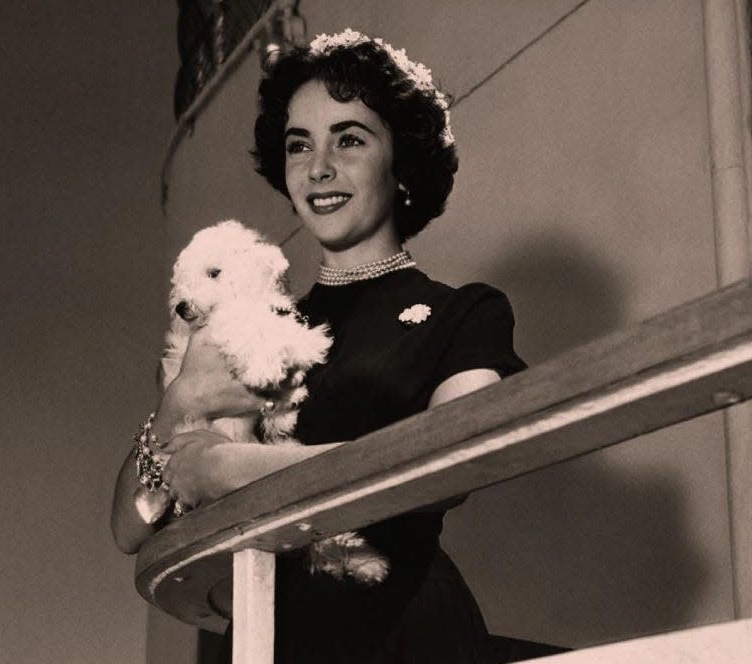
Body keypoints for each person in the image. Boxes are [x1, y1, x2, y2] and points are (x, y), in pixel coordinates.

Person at [112, 29, 541, 663]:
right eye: (299, 145)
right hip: (265, 634)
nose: (319, 168)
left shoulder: (463, 312)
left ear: (401, 164)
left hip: (403, 634)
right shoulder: (254, 326)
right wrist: (180, 403)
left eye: (349, 138)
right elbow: (129, 528)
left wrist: (227, 469)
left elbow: (453, 460)